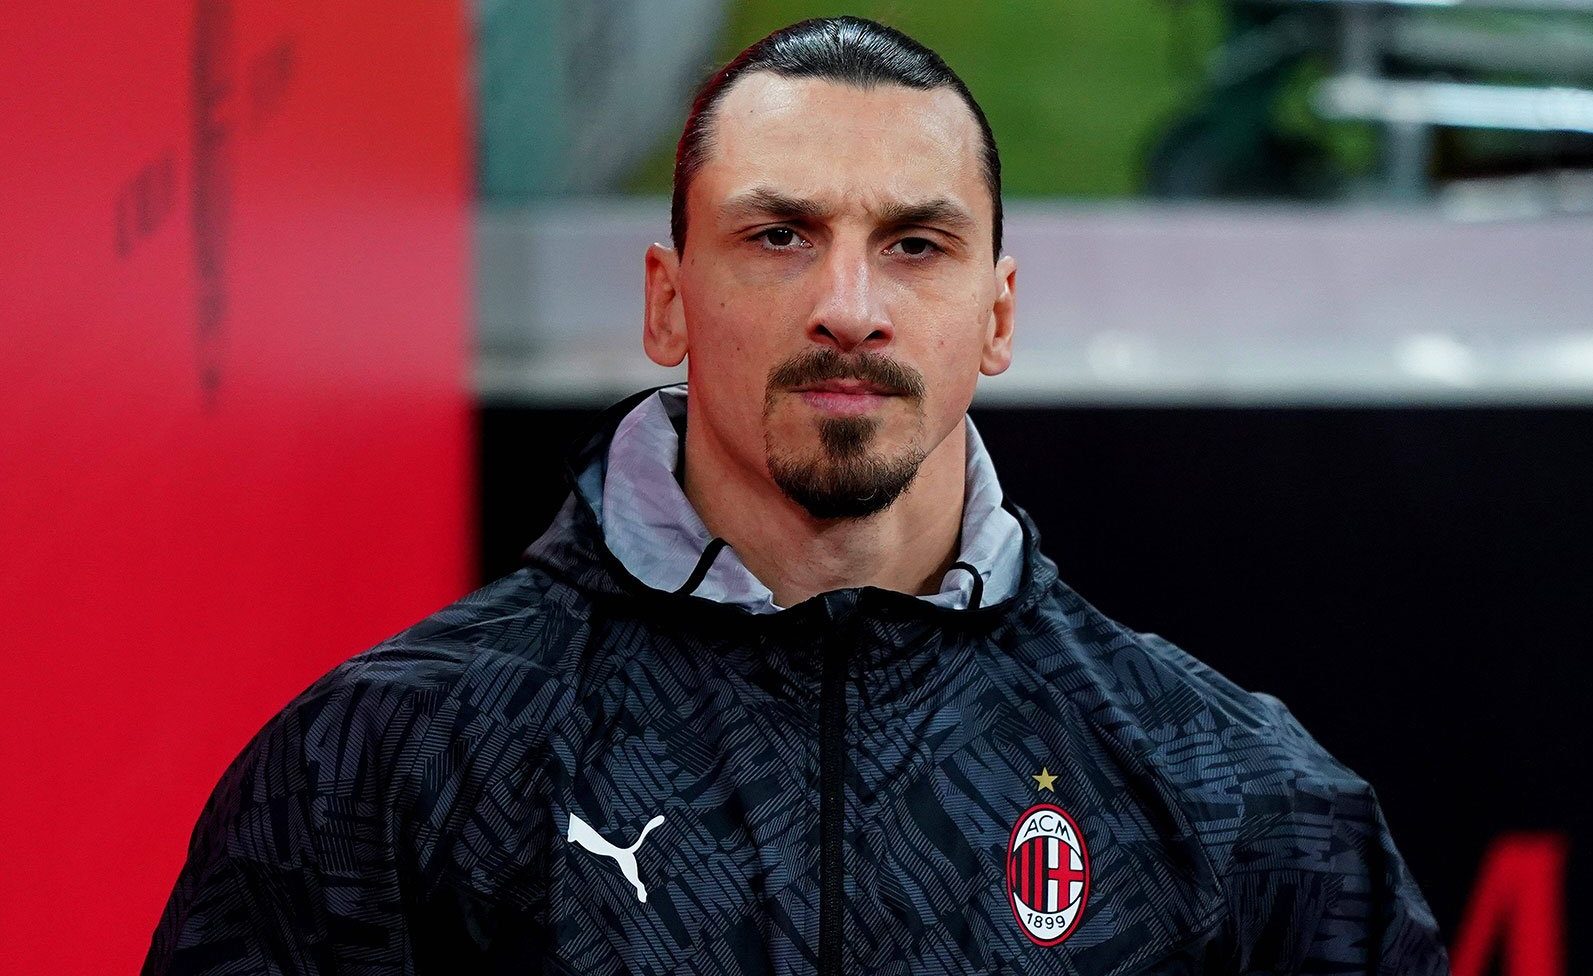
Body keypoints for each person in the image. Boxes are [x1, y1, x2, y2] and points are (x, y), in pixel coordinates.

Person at [143, 16, 1450, 975]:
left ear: (997, 316)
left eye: (916, 245)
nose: (848, 307)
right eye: (779, 236)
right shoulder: (379, 771)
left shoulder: (1246, 806)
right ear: (668, 302)